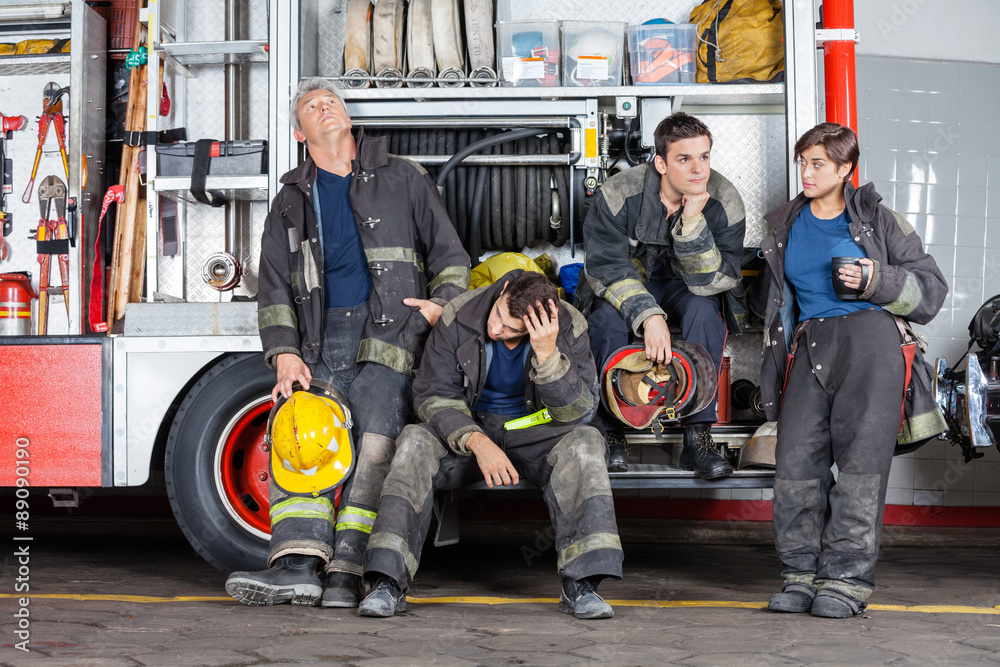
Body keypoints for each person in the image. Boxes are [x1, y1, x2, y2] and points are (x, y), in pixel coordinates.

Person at [226, 78, 471, 608]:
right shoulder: (291, 197)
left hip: (393, 333)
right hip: (318, 338)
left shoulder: (403, 176)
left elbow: (451, 255)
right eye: (312, 107)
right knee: (301, 439)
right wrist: (284, 352)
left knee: (377, 450)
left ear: (347, 117)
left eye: (332, 102)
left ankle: (348, 575)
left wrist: (440, 308)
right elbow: (272, 284)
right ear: (300, 131)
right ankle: (298, 565)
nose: (325, 108)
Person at [753, 123, 947, 618]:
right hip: (810, 346)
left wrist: (875, 278)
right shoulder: (785, 225)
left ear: (845, 169)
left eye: (818, 164)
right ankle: (799, 574)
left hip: (870, 344)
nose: (807, 172)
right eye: (803, 162)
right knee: (795, 467)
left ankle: (845, 581)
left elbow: (931, 291)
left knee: (861, 468)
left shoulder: (878, 221)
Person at [356, 270, 624, 619]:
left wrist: (547, 356)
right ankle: (386, 582)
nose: (496, 330)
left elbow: (580, 412)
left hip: (537, 433)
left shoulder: (569, 324)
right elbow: (432, 394)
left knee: (586, 443)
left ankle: (582, 587)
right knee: (414, 442)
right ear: (505, 289)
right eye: (498, 316)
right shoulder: (458, 314)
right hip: (469, 426)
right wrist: (477, 441)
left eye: (512, 330)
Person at [575, 112, 746, 477]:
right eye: (684, 159)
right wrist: (649, 316)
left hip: (688, 286)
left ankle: (697, 437)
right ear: (661, 163)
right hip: (629, 281)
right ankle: (612, 430)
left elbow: (720, 278)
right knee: (605, 319)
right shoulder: (620, 192)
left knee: (705, 314)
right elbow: (606, 267)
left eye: (704, 157)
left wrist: (692, 224)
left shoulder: (725, 200)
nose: (698, 169)